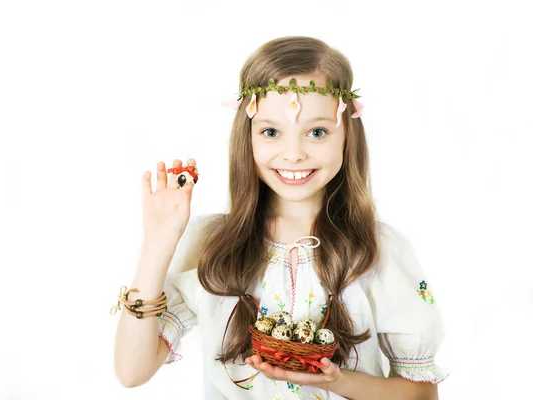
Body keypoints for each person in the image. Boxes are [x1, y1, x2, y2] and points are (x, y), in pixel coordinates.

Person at [112, 36, 448, 399]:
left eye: (317, 132)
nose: (294, 154)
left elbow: (422, 395)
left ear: (347, 135)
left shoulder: (377, 251)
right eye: (271, 132)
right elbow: (132, 372)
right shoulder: (211, 245)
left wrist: (334, 380)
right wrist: (157, 247)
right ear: (249, 136)